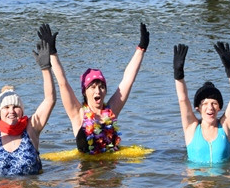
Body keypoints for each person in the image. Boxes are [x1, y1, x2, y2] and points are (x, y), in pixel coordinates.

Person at [39, 21, 149, 154]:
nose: (98, 91)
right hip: (86, 167)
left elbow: (127, 81)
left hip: (111, 166)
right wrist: (52, 53)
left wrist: (141, 49)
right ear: (85, 92)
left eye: (102, 87)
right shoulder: (78, 114)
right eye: (93, 87)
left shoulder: (112, 111)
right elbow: (63, 83)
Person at [0, 38, 56, 176]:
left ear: (21, 111)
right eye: (6, 107)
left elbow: (50, 100)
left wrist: (45, 68)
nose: (11, 111)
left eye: (16, 106)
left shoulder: (31, 129)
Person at [174, 41, 230, 165]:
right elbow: (183, 99)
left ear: (219, 107)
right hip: (196, 177)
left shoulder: (225, 126)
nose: (210, 108)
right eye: (205, 104)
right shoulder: (191, 127)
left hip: (223, 177)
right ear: (198, 108)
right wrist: (178, 74)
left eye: (214, 103)